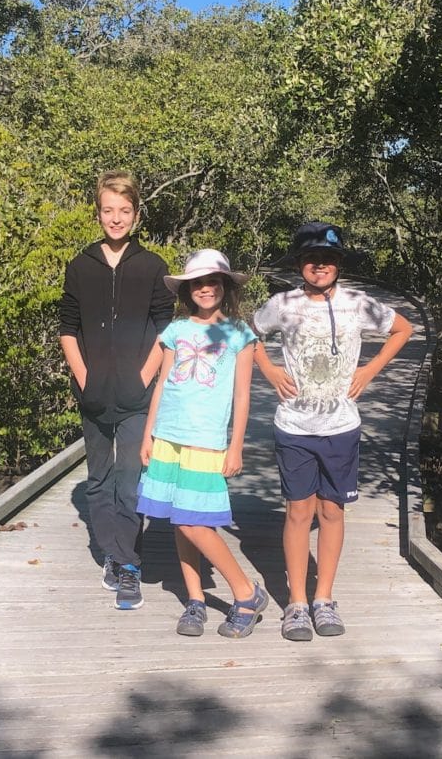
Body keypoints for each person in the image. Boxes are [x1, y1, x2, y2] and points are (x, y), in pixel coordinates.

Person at [252, 222, 413, 641]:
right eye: (310, 259)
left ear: (339, 263)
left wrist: (371, 369)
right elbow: (246, 334)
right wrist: (268, 370)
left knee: (332, 511)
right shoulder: (282, 304)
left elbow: (404, 329)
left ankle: (324, 598)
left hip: (342, 425)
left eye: (327, 258)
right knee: (299, 512)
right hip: (294, 425)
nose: (319, 265)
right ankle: (297, 603)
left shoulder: (359, 304)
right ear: (299, 264)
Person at [137, 249, 269, 638]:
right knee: (181, 520)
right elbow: (160, 384)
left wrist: (236, 446)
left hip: (208, 440)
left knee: (194, 521)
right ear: (188, 290)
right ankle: (194, 600)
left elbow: (243, 396)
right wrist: (148, 434)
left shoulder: (240, 335)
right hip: (168, 437)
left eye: (213, 281)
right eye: (197, 283)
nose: (205, 288)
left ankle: (246, 593)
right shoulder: (175, 331)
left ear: (225, 286)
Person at [59, 170, 175, 610]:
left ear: (136, 215)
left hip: (135, 396)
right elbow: (67, 327)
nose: (116, 218)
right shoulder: (80, 265)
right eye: (108, 210)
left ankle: (127, 564)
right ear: (98, 213)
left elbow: (167, 330)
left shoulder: (152, 267)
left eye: (124, 211)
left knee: (129, 480)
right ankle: (110, 551)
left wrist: (145, 377)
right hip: (92, 393)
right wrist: (83, 375)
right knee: (98, 479)